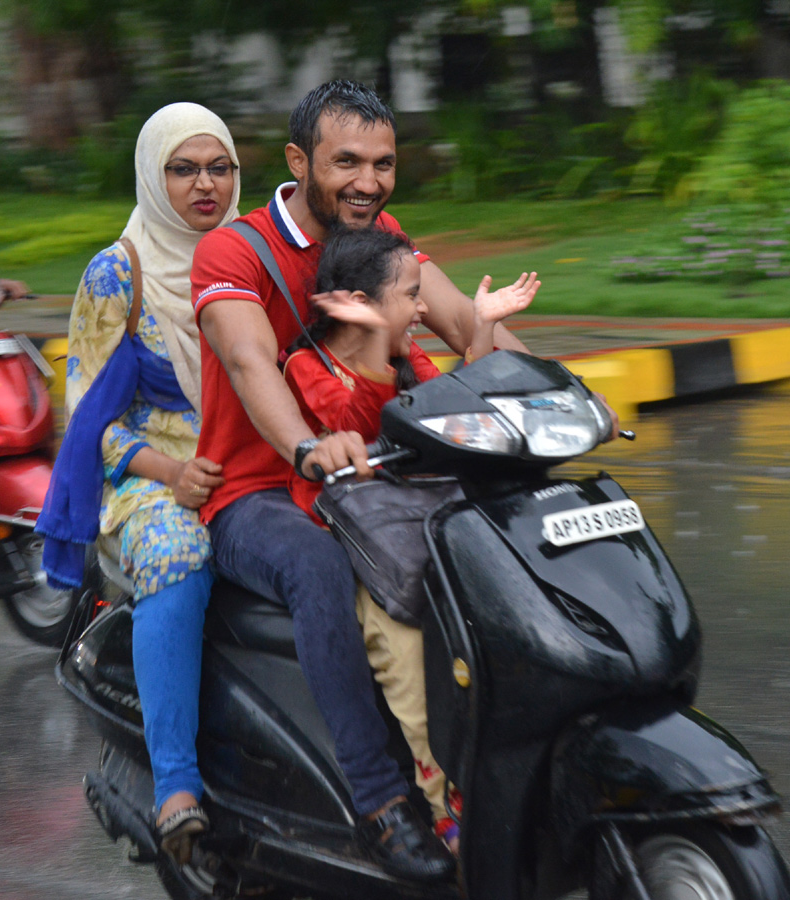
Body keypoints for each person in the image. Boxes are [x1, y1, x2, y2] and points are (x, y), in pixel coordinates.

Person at [187, 80, 523, 882]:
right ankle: (380, 801)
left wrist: (558, 389)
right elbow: (246, 359)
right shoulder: (233, 250)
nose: (367, 182)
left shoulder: (382, 234)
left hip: (380, 483)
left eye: (383, 163)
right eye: (346, 162)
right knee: (317, 566)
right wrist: (306, 446)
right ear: (299, 161)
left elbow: (466, 325)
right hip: (260, 492)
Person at [283, 227, 539, 853]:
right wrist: (376, 343)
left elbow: (447, 408)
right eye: (409, 296)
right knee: (406, 657)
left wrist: (481, 330)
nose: (423, 309)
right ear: (361, 305)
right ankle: (446, 803)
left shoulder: (404, 355)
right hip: (362, 545)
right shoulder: (305, 366)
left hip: (418, 522)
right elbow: (348, 427)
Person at [36, 102, 238, 865]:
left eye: (218, 167)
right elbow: (89, 417)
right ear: (154, 178)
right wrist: (172, 473)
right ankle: (176, 789)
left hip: (243, 461)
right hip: (149, 476)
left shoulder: (248, 257)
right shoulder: (119, 271)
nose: (204, 185)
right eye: (183, 170)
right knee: (179, 556)